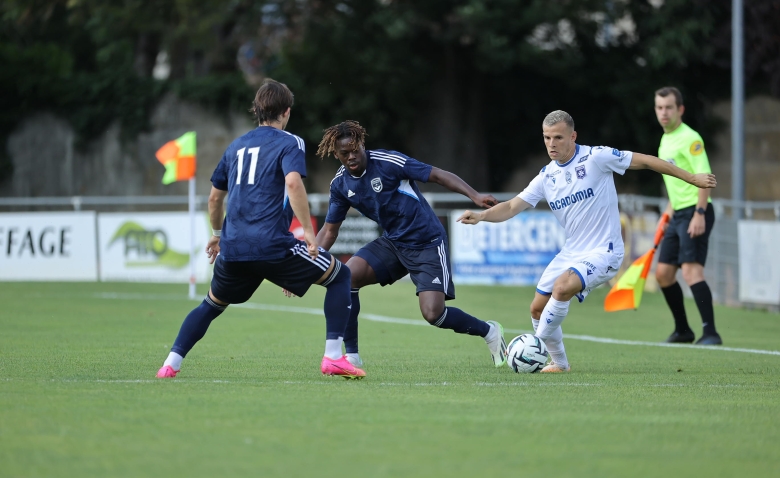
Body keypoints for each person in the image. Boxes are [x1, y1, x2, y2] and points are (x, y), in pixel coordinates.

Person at [457, 110, 716, 372]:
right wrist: (481, 216)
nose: (551, 143)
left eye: (558, 137)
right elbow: (512, 206)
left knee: (562, 288)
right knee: (537, 309)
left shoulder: (596, 158)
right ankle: (560, 364)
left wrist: (692, 178)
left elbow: (648, 161)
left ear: (573, 136)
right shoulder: (547, 177)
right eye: (547, 138)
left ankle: (532, 347)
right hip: (572, 252)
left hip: (605, 252)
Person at [156, 79, 365, 380]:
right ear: (287, 112)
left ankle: (171, 363)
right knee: (340, 275)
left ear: (256, 111)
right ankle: (333, 357)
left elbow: (215, 197)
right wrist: (307, 231)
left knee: (212, 304)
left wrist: (216, 234)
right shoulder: (290, 142)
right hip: (272, 244)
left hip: (234, 247)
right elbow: (293, 183)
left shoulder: (235, 146)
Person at [312, 120, 508, 368]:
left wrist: (474, 195)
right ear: (336, 154)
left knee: (433, 314)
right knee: (348, 276)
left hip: (427, 242)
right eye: (344, 153)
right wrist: (308, 263)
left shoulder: (388, 162)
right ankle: (351, 355)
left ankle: (489, 331)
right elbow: (329, 232)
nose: (351, 156)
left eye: (355, 150)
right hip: (393, 243)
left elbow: (437, 175)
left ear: (363, 145)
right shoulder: (340, 185)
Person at [653, 87, 722, 345]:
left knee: (692, 272)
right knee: (663, 274)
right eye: (659, 108)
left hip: (696, 210)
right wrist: (667, 213)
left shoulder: (691, 138)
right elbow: (677, 185)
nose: (664, 112)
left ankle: (711, 332)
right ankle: (683, 330)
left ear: (680, 109)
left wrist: (700, 213)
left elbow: (706, 178)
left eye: (669, 107)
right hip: (677, 213)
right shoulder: (664, 141)